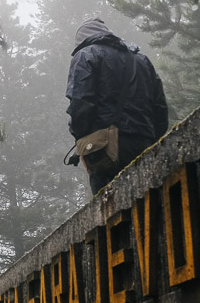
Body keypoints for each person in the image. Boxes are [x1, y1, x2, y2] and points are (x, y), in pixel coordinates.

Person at [66, 17, 169, 194]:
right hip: (143, 140)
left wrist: (82, 140)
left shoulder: (85, 55)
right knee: (147, 199)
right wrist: (152, 137)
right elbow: (159, 106)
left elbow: (81, 103)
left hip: (104, 149)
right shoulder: (141, 59)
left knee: (110, 209)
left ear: (81, 40)